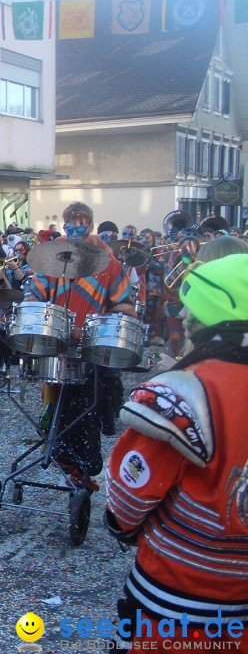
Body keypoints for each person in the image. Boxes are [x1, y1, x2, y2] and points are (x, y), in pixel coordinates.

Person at [105, 252, 248, 649]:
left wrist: (121, 526)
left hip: (178, 593)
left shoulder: (181, 393)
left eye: (191, 312)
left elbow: (131, 493)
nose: (183, 318)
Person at [26, 202, 134, 490]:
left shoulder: (109, 264)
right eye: (69, 224)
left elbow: (123, 302)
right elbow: (35, 296)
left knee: (85, 409)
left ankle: (82, 468)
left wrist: (118, 315)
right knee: (57, 407)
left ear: (91, 226)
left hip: (90, 346)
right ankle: (62, 458)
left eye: (81, 224)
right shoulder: (50, 259)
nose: (74, 229)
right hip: (55, 344)